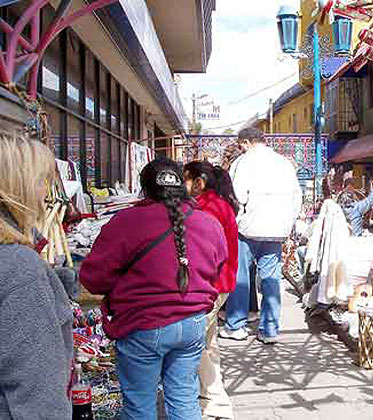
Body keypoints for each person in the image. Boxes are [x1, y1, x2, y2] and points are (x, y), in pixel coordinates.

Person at [80, 158, 227, 419]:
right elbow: (217, 269)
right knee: (184, 400)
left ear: (145, 190)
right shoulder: (208, 223)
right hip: (192, 324)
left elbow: (93, 278)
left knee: (139, 407)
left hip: (142, 326)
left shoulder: (126, 222)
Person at [0, 134, 74, 419]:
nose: (47, 193)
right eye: (43, 179)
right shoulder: (19, 267)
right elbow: (37, 389)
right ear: (18, 186)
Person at [220, 128, 302, 345]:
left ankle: (236, 325)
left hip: (249, 227)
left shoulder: (243, 162)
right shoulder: (284, 163)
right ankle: (270, 329)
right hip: (278, 229)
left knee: (241, 276)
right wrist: (287, 223)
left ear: (245, 142)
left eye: (241, 145)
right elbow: (297, 197)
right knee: (271, 277)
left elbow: (238, 195)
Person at [184, 161, 237, 419]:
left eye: (185, 179)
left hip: (210, 285)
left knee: (194, 344)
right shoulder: (217, 204)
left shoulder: (207, 208)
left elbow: (205, 252)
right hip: (217, 284)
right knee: (207, 343)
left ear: (199, 182)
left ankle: (211, 402)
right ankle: (214, 401)